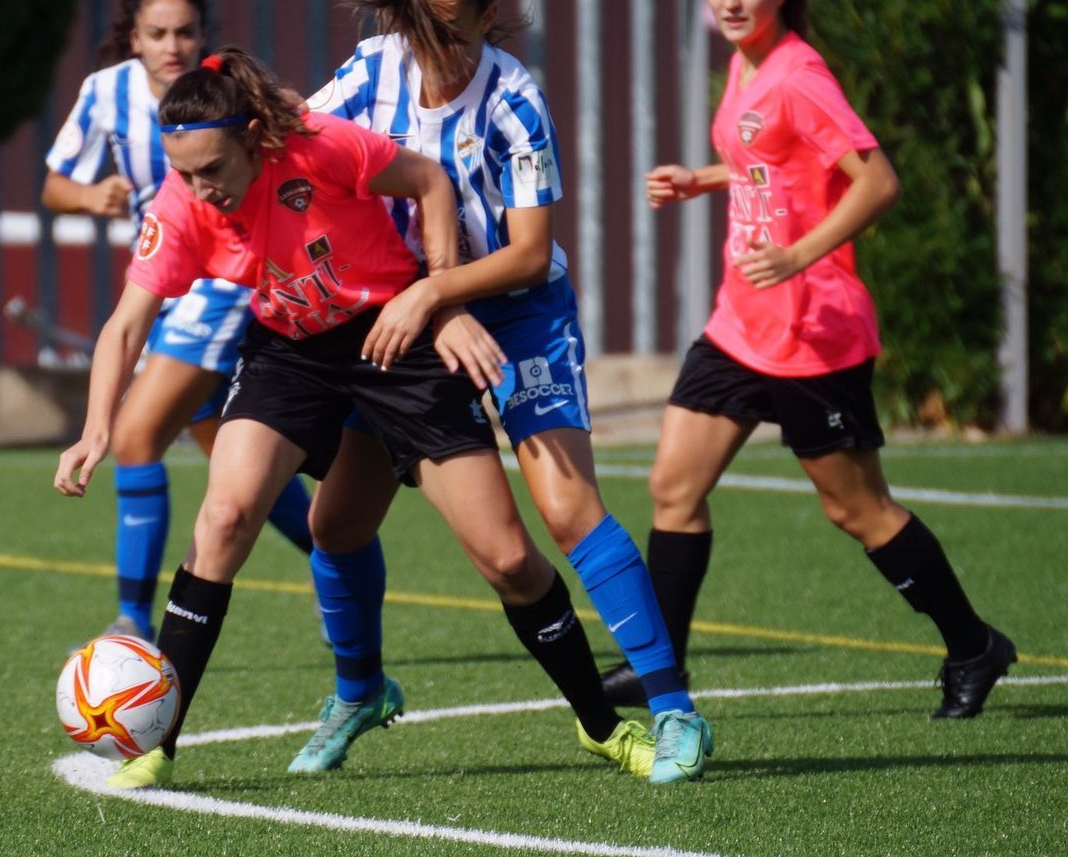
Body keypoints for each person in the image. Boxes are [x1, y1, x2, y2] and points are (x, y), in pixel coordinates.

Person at [55, 46, 693, 792]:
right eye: (184, 173)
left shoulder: (320, 144)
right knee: (223, 519)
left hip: (396, 341)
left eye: (212, 171)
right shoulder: (182, 205)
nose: (199, 190)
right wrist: (99, 425)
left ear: (256, 138)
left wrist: (441, 298)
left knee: (509, 559)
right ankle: (157, 743)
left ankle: (601, 726)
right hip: (290, 354)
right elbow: (127, 323)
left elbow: (430, 181)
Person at [296, 0, 710, 783]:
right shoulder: (372, 70)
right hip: (407, 317)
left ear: (488, 20)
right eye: (418, 25)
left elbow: (525, 252)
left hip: (514, 312)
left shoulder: (514, 96)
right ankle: (360, 690)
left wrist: (436, 293)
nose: (434, 44)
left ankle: (675, 713)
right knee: (335, 523)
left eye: (452, 27)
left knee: (565, 509)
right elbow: (297, 145)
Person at [599, 0, 1014, 719]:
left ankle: (973, 645)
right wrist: (704, 179)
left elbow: (876, 182)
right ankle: (661, 670)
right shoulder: (746, 67)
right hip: (738, 323)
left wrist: (797, 256)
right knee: (672, 486)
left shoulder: (798, 75)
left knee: (855, 509)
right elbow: (769, 166)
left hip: (813, 330)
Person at [42, 0, 321, 643]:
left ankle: (132, 624)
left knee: (135, 436)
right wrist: (89, 195)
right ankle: (335, 560)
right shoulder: (105, 93)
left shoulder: (224, 92)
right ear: (133, 37)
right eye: (159, 34)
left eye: (186, 32)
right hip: (166, 284)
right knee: (233, 454)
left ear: (202, 34)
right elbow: (53, 186)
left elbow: (302, 136)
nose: (174, 46)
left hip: (228, 283)